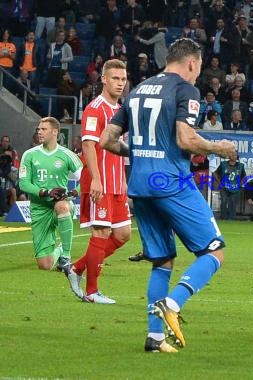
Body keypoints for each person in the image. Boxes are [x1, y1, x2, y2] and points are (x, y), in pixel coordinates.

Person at [100, 38, 236, 353]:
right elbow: (186, 139)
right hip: (171, 182)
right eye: (199, 67)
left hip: (139, 186)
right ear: (191, 63)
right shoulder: (185, 90)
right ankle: (173, 304)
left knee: (162, 260)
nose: (198, 74)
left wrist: (139, 154)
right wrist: (220, 147)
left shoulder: (137, 91)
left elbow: (107, 140)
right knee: (214, 252)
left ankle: (155, 337)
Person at [66, 59, 132, 305]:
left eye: (123, 79)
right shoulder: (95, 108)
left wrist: (123, 179)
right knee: (102, 232)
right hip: (99, 182)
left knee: (123, 234)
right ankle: (92, 291)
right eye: (115, 78)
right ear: (104, 79)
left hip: (116, 182)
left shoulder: (121, 110)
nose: (119, 83)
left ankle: (77, 267)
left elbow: (120, 148)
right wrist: (95, 179)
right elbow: (88, 144)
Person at [18, 117, 83, 271]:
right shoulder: (30, 154)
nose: (39, 132)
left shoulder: (67, 155)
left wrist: (73, 193)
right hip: (39, 209)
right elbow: (23, 183)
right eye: (38, 129)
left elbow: (87, 177)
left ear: (55, 132)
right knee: (45, 265)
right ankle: (60, 249)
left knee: (61, 205)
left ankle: (66, 257)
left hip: (60, 205)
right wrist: (45, 192)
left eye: (43, 129)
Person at [214, 152, 246, 220]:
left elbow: (244, 176)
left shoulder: (241, 165)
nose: (234, 156)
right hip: (224, 187)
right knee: (224, 201)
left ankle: (232, 218)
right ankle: (223, 218)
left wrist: (240, 183)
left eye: (235, 155)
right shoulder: (223, 164)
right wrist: (219, 182)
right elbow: (214, 173)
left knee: (232, 202)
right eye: (232, 155)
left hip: (235, 188)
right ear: (229, 156)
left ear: (237, 156)